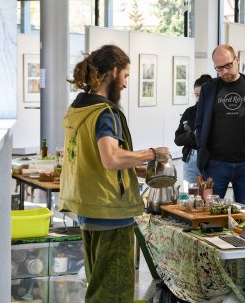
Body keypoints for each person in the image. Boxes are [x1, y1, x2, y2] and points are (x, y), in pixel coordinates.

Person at [58, 45, 169, 303]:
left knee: (98, 284)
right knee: (114, 291)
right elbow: (111, 158)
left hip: (86, 206)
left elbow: (94, 158)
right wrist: (151, 153)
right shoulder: (105, 113)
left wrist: (135, 168)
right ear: (114, 72)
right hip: (110, 210)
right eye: (126, 76)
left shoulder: (78, 109)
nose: (126, 84)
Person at [196, 44, 245, 206]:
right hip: (215, 163)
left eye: (228, 66)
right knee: (209, 211)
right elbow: (200, 123)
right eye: (219, 68)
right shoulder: (209, 88)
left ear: (237, 60)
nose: (224, 71)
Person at [174, 74, 212, 186]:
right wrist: (193, 135)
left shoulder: (218, 113)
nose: (199, 99)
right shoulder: (189, 112)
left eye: (202, 95)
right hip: (191, 160)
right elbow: (177, 139)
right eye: (196, 95)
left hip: (212, 161)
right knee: (190, 197)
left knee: (210, 197)